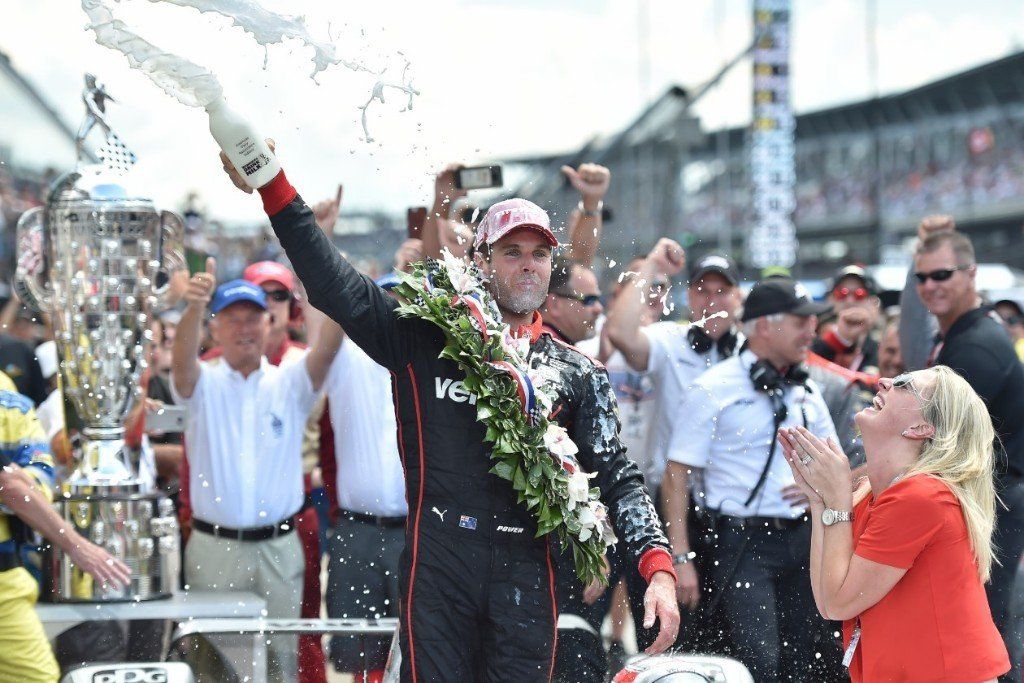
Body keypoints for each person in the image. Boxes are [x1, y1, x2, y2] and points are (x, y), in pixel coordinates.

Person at [219, 151, 679, 681]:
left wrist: (658, 569)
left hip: (527, 574)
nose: (527, 264)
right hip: (439, 569)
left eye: (538, 254)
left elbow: (619, 479)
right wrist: (271, 183)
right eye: (511, 252)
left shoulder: (576, 370)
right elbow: (330, 282)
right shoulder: (424, 335)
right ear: (482, 261)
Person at [779, 366, 1010, 682]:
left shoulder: (922, 495)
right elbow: (828, 604)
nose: (884, 381)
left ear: (920, 427)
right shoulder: (874, 491)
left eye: (903, 385)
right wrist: (821, 498)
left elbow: (839, 602)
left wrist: (833, 500)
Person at [171, 263, 342, 682]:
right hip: (215, 549)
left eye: (253, 318)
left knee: (280, 667)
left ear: (270, 325)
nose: (244, 329)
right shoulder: (202, 385)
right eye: (232, 320)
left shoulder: (289, 383)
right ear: (214, 330)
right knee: (212, 669)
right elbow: (180, 365)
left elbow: (328, 347)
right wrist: (192, 308)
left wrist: (319, 270)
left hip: (278, 549)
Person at [663, 278, 840, 682]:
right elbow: (676, 475)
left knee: (806, 659)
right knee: (757, 661)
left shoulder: (805, 386)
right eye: (801, 322)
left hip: (805, 539)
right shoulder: (714, 386)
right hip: (743, 544)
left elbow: (841, 460)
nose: (812, 331)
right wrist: (681, 558)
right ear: (764, 325)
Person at [901, 226, 1024, 652]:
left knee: (984, 627)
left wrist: (850, 477)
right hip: (983, 497)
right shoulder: (961, 333)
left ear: (970, 274)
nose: (930, 286)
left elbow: (932, 443)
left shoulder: (975, 347)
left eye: (942, 275)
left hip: (993, 501)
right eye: (922, 278)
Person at [0, 371, 131, 681]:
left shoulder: (8, 396)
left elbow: (38, 479)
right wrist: (78, 546)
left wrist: (22, 487)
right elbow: (14, 489)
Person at [322, 273, 407, 683]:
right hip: (358, 530)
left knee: (419, 646)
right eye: (382, 298)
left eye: (398, 299)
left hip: (417, 531)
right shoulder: (344, 357)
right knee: (359, 656)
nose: (389, 307)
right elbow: (318, 309)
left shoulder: (425, 360)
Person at [812, 265, 881, 374]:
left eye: (859, 294)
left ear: (872, 301)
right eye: (842, 294)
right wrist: (840, 338)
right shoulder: (812, 335)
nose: (850, 301)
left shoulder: (882, 345)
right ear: (831, 300)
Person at [540, 256, 604, 345]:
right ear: (555, 304)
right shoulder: (546, 349)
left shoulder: (545, 345)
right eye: (589, 300)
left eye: (598, 299)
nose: (599, 308)